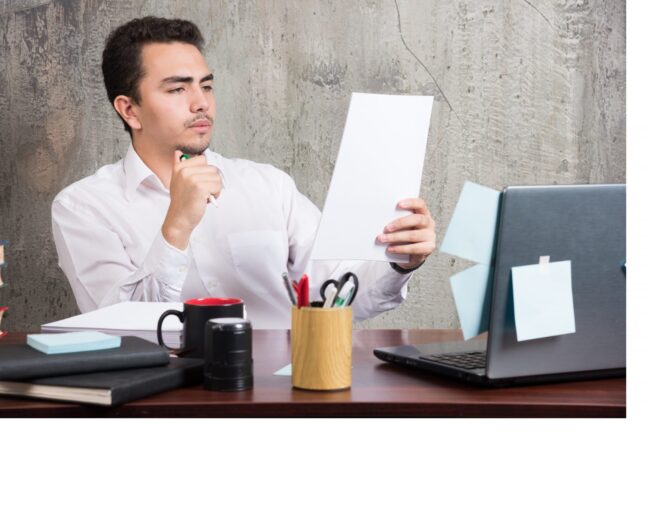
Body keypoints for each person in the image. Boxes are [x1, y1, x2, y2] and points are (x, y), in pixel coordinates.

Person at [51, 16, 436, 328]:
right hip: (165, 403)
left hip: (286, 393)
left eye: (206, 85)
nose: (201, 103)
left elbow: (340, 294)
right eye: (176, 90)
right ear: (129, 109)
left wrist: (399, 261)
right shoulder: (84, 207)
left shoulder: (268, 186)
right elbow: (119, 325)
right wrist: (177, 227)